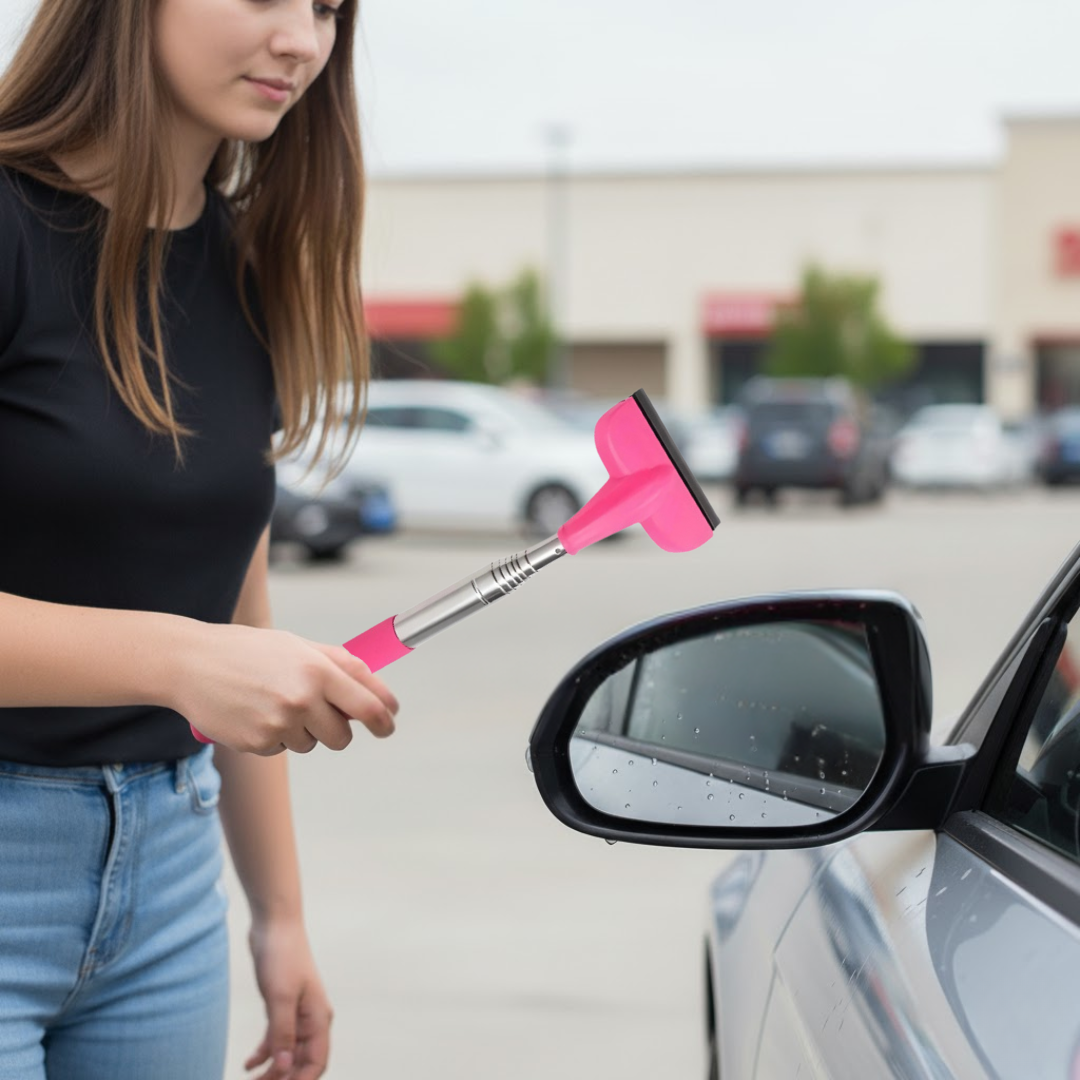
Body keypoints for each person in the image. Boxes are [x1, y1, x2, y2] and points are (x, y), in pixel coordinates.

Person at [0, 1, 396, 1077]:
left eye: (325, 10)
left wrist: (278, 915)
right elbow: (208, 650)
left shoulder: (244, 261)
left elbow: (236, 607)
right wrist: (181, 663)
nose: (302, 43)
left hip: (169, 889)